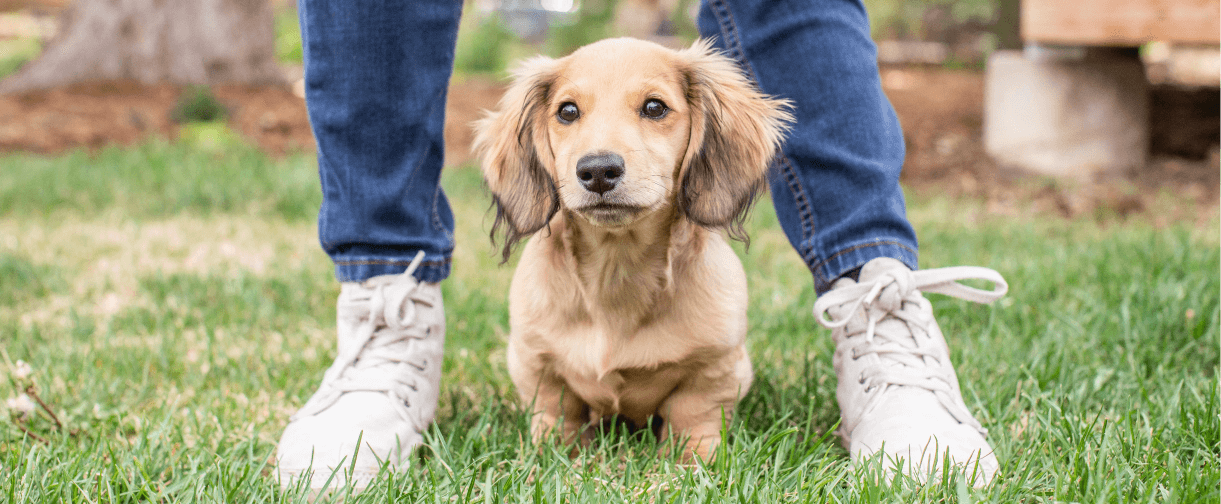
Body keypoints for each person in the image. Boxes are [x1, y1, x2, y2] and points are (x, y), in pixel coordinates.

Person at [275, 0, 1009, 490]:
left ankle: (871, 293)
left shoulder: (713, 294)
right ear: (538, 138)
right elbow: (533, 354)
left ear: (701, 131)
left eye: (653, 110)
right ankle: (386, 304)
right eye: (569, 116)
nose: (601, 156)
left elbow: (716, 367)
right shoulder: (534, 282)